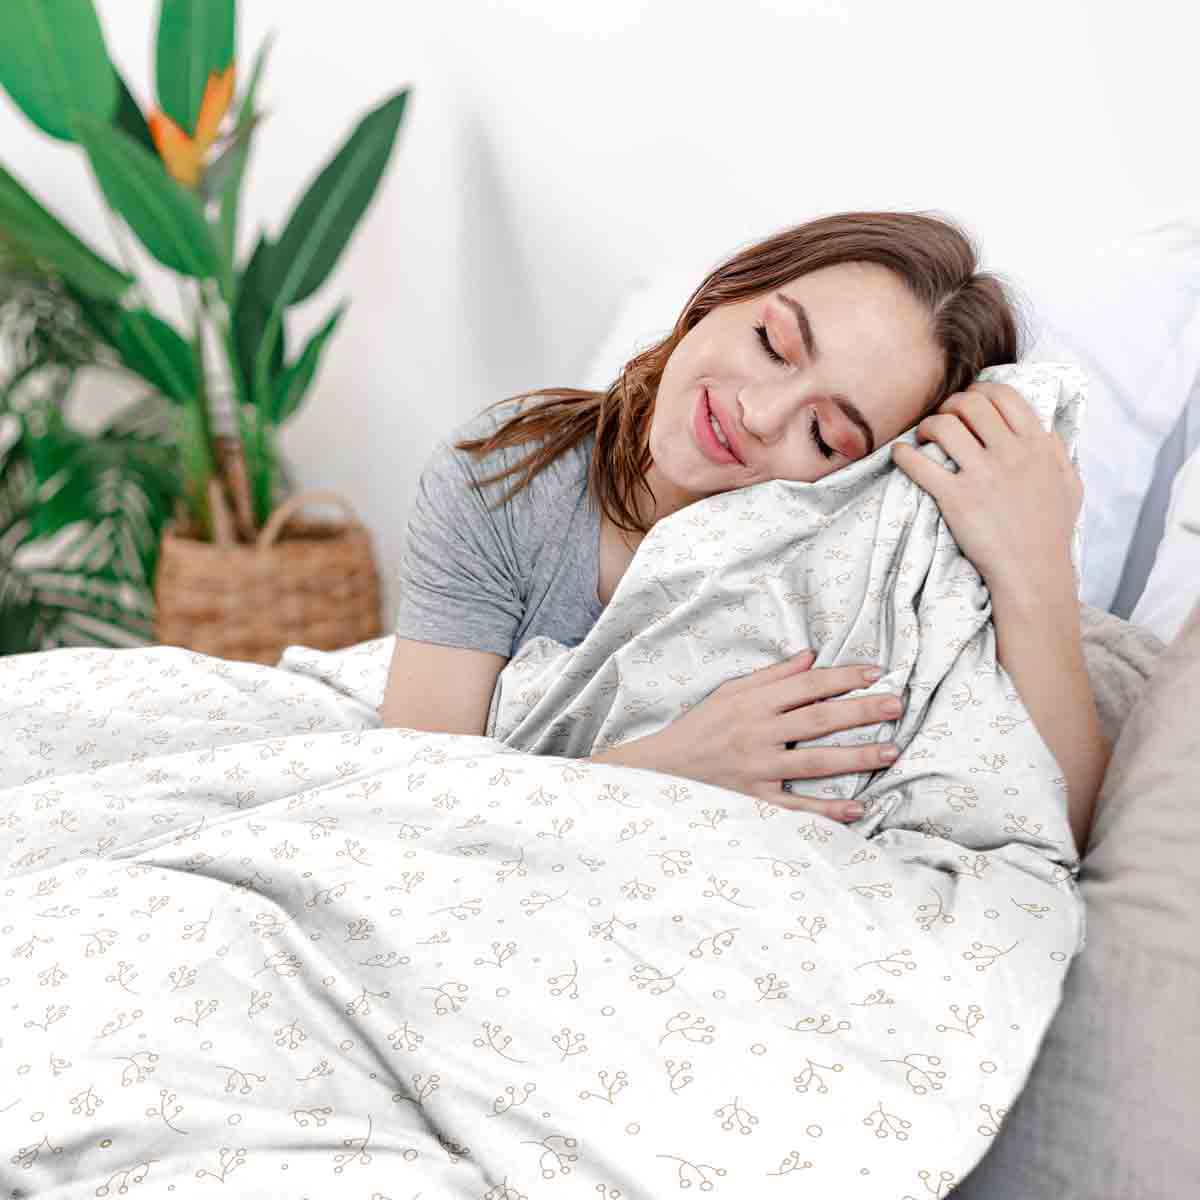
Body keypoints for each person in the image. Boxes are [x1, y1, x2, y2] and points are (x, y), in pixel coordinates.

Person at [381, 210, 1109, 851]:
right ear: (727, 290)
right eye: (773, 343)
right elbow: (404, 805)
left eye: (824, 437)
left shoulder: (863, 572)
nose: (759, 414)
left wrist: (1038, 565)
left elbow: (1055, 825)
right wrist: (669, 766)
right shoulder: (509, 477)